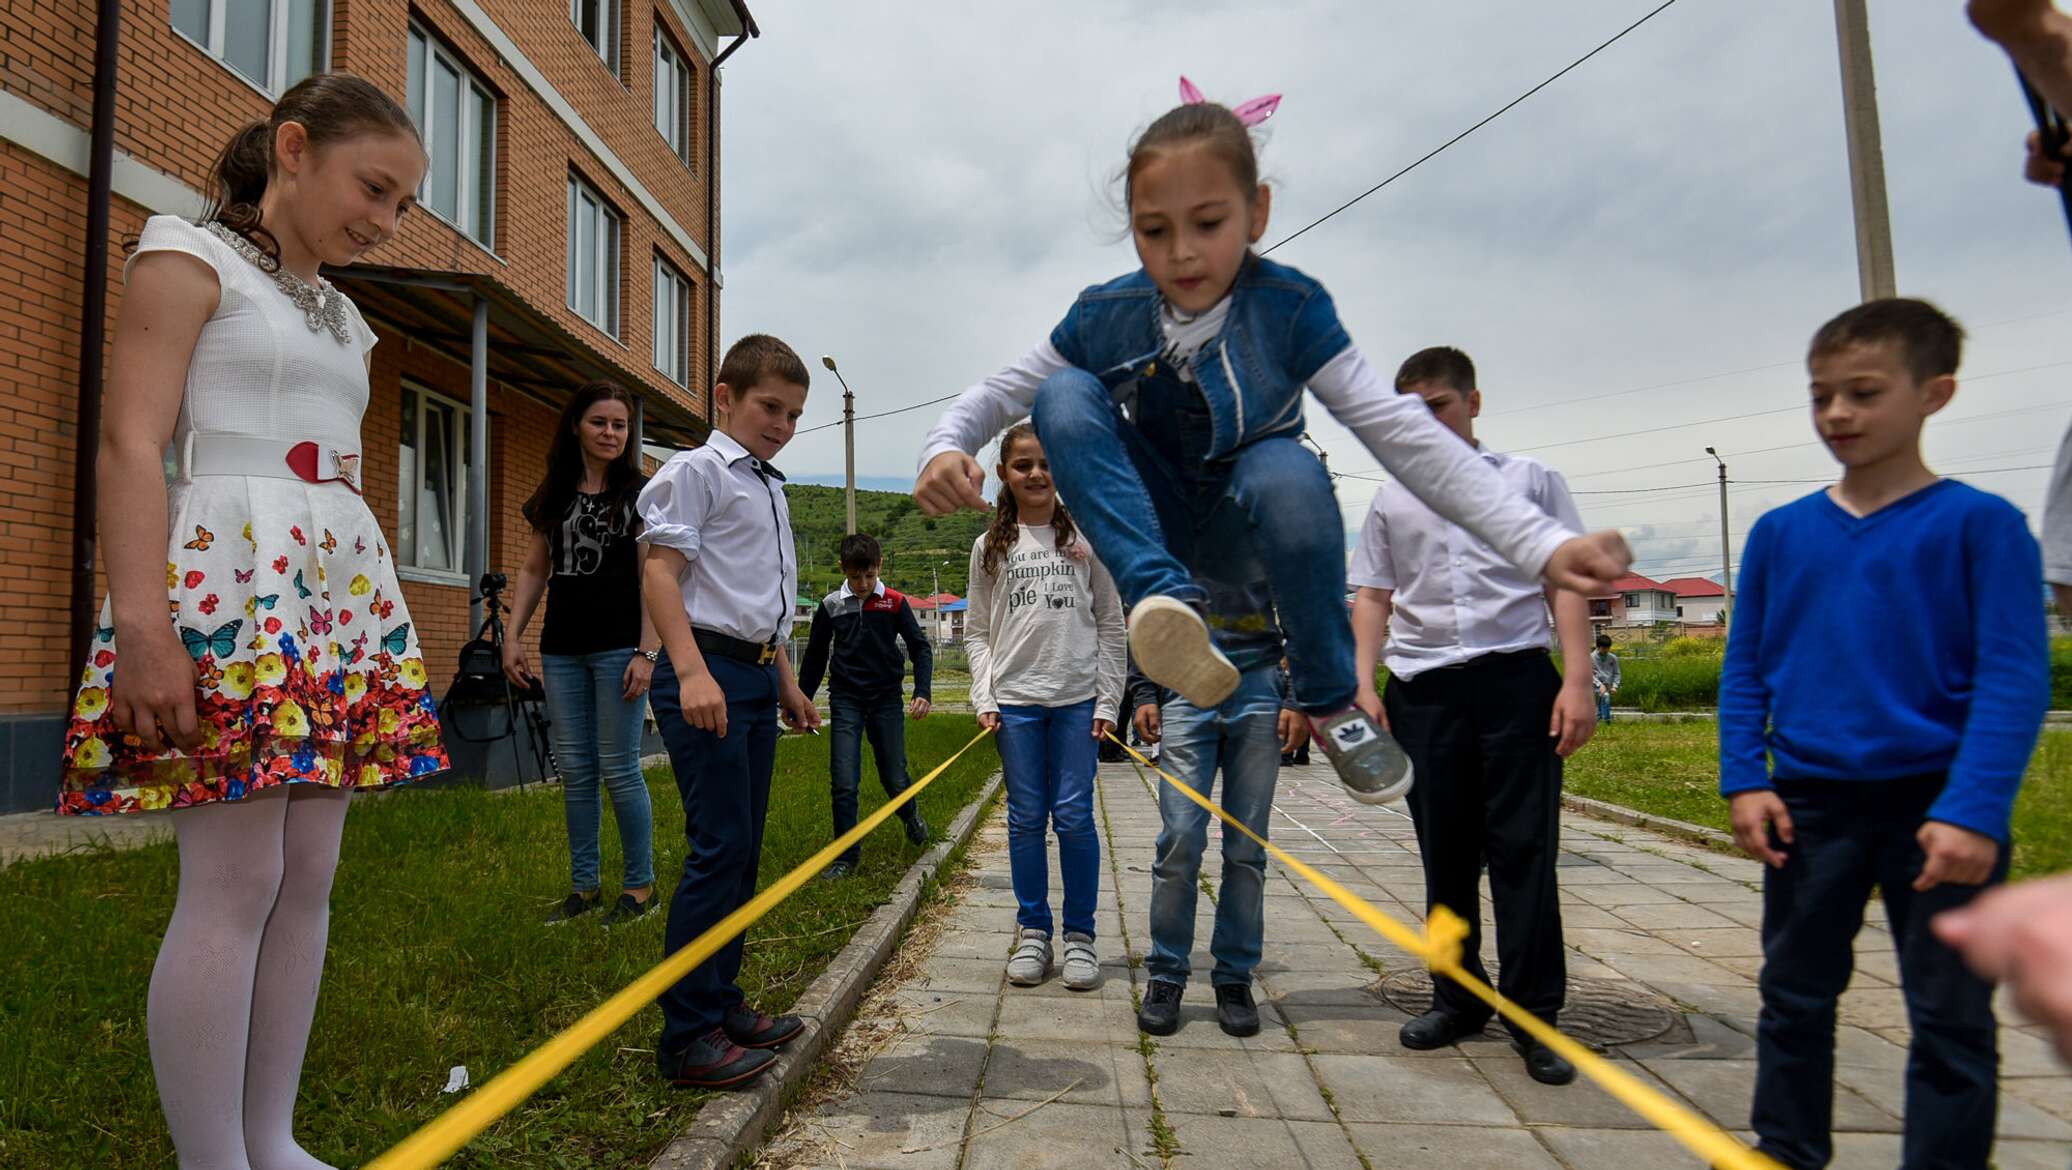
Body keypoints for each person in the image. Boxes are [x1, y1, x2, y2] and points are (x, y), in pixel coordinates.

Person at [914, 79, 1631, 808]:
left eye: (1208, 223)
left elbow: (1399, 432)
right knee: (1061, 394)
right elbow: (1000, 390)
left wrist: (1541, 545)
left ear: (1257, 213)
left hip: (1246, 521)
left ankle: (1327, 701)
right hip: (1154, 519)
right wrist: (946, 444)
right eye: (1154, 230)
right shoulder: (1108, 314)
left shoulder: (1288, 310)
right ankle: (1164, 603)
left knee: (1287, 467)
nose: (1182, 253)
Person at [54, 74, 444, 1169]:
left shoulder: (348, 315)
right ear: (291, 149)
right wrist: (142, 627)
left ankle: (269, 1138)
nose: (385, 219)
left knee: (306, 881)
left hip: (332, 599)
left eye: (404, 205)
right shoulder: (186, 256)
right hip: (233, 585)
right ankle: (209, 1158)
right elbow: (133, 445)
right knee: (233, 883)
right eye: (375, 188)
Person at [1719, 299, 2049, 1170]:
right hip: (1809, 805)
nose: (1838, 414)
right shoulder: (1781, 533)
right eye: (1822, 395)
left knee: (1950, 1017)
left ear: (1934, 393)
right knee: (1793, 995)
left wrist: (1976, 810)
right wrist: (1746, 778)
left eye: (1863, 393)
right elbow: (1746, 666)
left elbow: (2014, 676)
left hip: (1939, 807)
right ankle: (1785, 1148)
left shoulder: (1983, 526)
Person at [1347, 346, 1598, 1088]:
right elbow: (1372, 595)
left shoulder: (1530, 481)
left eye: (1438, 407)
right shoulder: (1391, 500)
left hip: (1516, 682)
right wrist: (1365, 681)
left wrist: (1578, 680)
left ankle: (1535, 1018)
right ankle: (1456, 999)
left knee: (1524, 854)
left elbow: (1568, 583)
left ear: (1473, 403)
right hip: (1423, 693)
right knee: (1445, 856)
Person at [637, 334, 822, 1089]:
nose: (781, 423)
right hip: (704, 672)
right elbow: (659, 575)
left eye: (794, 414)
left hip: (749, 674)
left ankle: (721, 1002)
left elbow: (759, 606)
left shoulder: (767, 485)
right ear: (724, 396)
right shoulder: (696, 472)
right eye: (768, 406)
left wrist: (786, 682)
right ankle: (686, 1037)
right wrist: (688, 673)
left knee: (743, 848)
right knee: (718, 848)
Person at [1125, 500, 1307, 1037]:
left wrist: (1297, 695)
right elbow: (1144, 605)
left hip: (1257, 690)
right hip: (1183, 687)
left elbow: (1298, 605)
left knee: (1246, 847)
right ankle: (1167, 974)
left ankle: (1233, 976)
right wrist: (1144, 690)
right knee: (1179, 838)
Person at [964, 422, 1126, 991]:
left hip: (1078, 701)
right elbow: (978, 632)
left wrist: (1109, 700)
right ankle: (1034, 931)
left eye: (1045, 464)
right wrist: (984, 694)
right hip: (1016, 705)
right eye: (1022, 465)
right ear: (1005, 475)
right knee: (1027, 819)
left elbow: (1111, 623)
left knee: (1076, 818)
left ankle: (1081, 938)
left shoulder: (1088, 539)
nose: (1035, 474)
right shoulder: (990, 547)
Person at [502, 381, 660, 927]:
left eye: (620, 425)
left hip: (620, 648)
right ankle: (584, 888)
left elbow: (652, 577)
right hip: (562, 650)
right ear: (576, 426)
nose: (611, 433)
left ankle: (640, 888)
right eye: (600, 422)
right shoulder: (554, 493)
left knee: (619, 769)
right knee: (575, 770)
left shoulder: (642, 494)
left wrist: (647, 652)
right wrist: (513, 634)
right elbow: (532, 570)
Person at [796, 531, 935, 880]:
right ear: (843, 568)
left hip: (886, 699)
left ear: (880, 566)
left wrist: (923, 690)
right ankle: (846, 856)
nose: (862, 583)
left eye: (869, 575)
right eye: (855, 576)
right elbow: (813, 657)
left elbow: (920, 647)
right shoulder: (831, 606)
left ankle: (910, 815)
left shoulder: (895, 602)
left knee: (894, 774)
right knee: (844, 779)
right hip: (846, 699)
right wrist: (800, 700)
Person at [1590, 634, 1621, 724]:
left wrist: (1615, 685)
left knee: (1603, 700)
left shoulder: (1613, 658)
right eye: (1604, 648)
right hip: (1594, 684)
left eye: (1608, 648)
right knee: (1603, 698)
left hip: (1608, 684)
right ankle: (1607, 720)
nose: (1606, 650)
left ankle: (1600, 720)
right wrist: (1599, 685)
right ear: (1598, 647)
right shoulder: (1591, 657)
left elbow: (1617, 673)